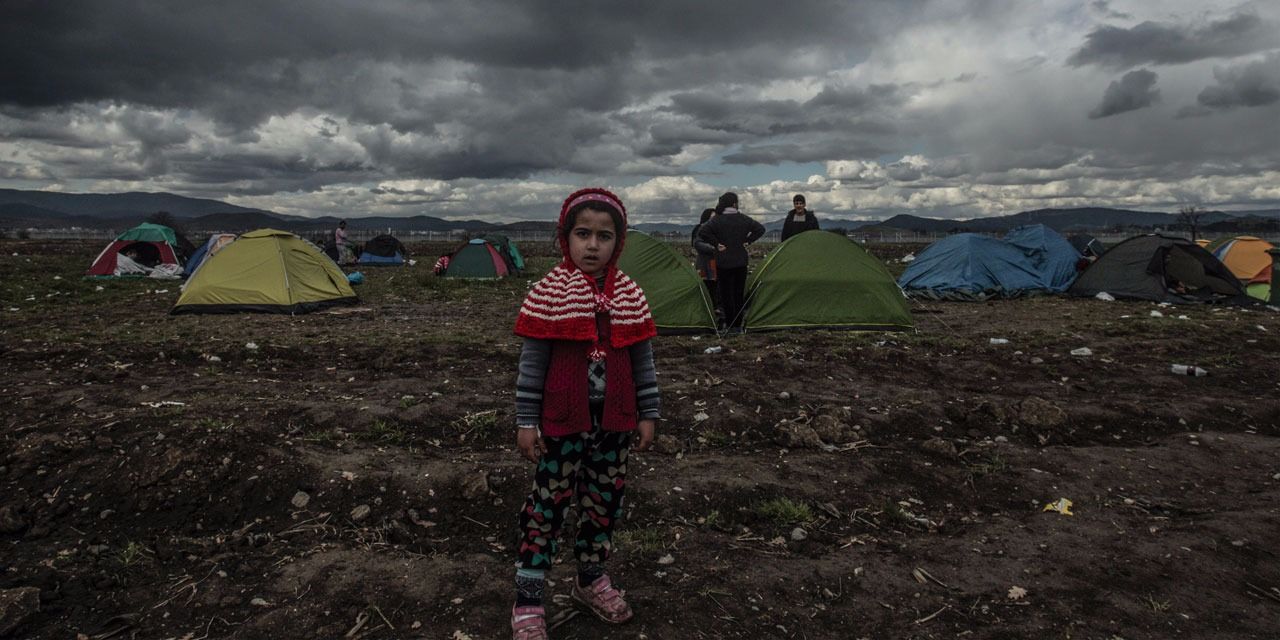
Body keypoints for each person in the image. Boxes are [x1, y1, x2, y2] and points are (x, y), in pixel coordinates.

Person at [510, 188, 660, 639]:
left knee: (602, 505)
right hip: (560, 426)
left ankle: (590, 580)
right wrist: (526, 421)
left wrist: (648, 412)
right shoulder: (547, 294)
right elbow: (532, 367)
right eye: (582, 234)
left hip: (614, 426)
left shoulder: (629, 295)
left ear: (619, 241)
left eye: (604, 236)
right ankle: (528, 598)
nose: (592, 245)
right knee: (547, 507)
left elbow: (642, 361)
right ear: (566, 238)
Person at [698, 192, 765, 331]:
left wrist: (716, 244)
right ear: (735, 204)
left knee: (726, 295)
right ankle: (738, 324)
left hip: (723, 262)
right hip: (740, 261)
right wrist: (748, 241)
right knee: (738, 294)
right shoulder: (744, 219)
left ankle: (729, 324)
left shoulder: (717, 220)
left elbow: (702, 232)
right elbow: (760, 229)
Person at [691, 208, 721, 322]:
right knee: (706, 284)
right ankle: (707, 308)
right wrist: (714, 248)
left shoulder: (715, 230)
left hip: (714, 261)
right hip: (705, 261)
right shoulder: (701, 229)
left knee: (715, 285)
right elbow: (697, 243)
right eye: (712, 217)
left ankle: (715, 307)